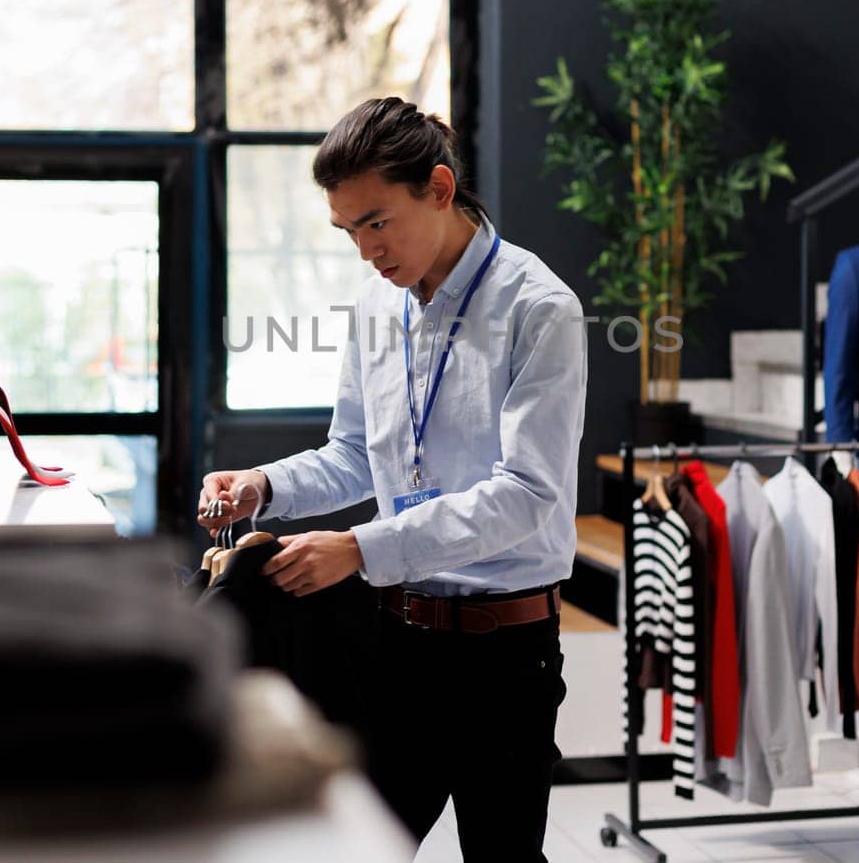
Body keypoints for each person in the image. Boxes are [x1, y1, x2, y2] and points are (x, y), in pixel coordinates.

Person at [196, 97, 588, 860]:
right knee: (349, 848)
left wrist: (362, 547)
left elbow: (528, 495)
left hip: (506, 655)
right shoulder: (377, 306)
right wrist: (263, 485)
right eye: (348, 231)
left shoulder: (541, 310)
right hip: (395, 642)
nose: (367, 251)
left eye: (377, 221)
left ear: (439, 189)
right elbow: (353, 452)